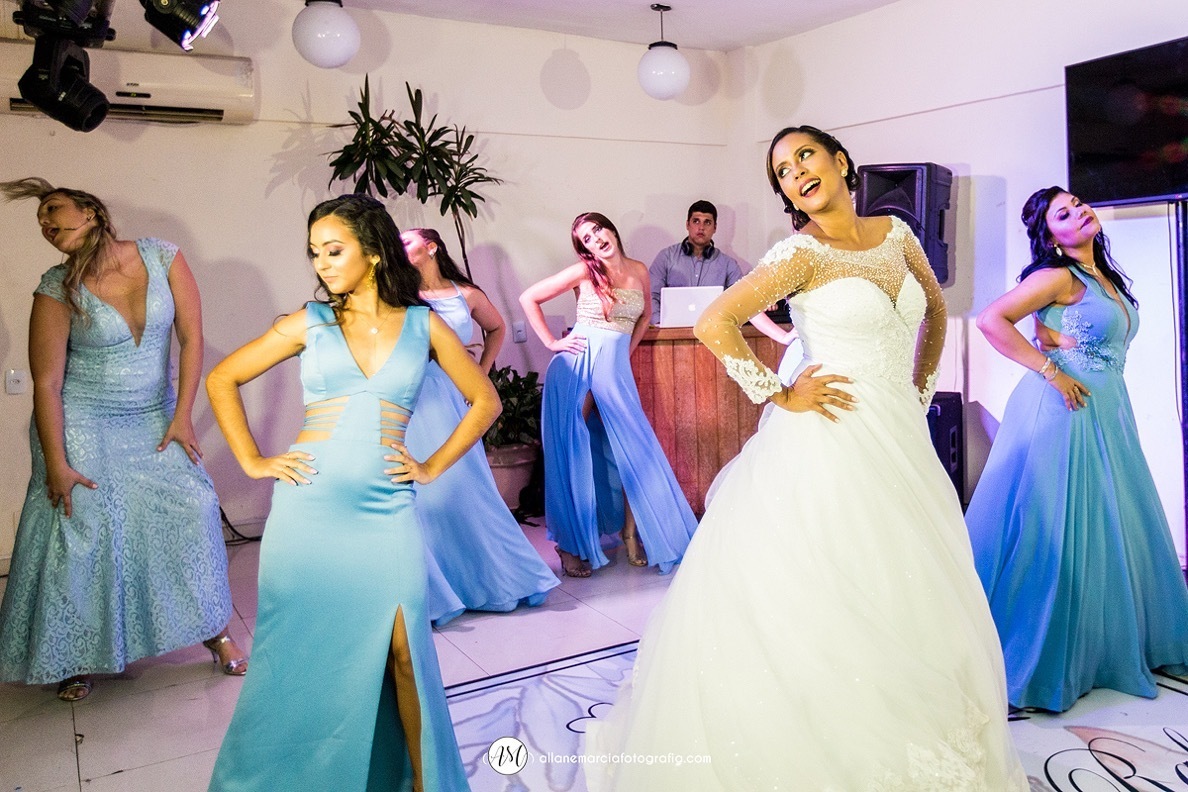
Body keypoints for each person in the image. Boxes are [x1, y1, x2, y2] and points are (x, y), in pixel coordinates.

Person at [584, 127, 1027, 790]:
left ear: (840, 161)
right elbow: (713, 323)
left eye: (805, 157)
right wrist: (779, 392)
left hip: (898, 440)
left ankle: (910, 726)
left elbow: (935, 311)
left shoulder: (898, 234)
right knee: (832, 588)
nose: (796, 173)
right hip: (828, 438)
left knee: (908, 584)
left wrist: (916, 394)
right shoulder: (799, 253)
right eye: (783, 172)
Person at [205, 196, 495, 790]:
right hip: (308, 507)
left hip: (385, 508)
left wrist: (431, 465)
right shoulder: (309, 322)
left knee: (406, 651)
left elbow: (484, 401)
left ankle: (425, 782)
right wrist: (254, 461)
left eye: (334, 251)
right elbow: (222, 377)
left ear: (374, 251)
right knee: (301, 655)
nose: (322, 264)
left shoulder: (424, 325)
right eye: (315, 253)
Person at [0, 178, 246, 704]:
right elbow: (47, 382)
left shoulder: (163, 257)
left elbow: (191, 338)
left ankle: (215, 630)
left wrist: (183, 416)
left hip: (153, 414)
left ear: (90, 211)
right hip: (82, 420)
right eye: (39, 221)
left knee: (194, 509)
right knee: (84, 530)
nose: (45, 223)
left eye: (52, 210)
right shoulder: (56, 286)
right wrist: (56, 462)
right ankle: (72, 655)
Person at [965, 186, 1188, 713]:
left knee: (1105, 526)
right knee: (1057, 530)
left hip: (1106, 409)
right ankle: (1041, 657)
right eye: (1064, 214)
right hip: (1064, 408)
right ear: (1052, 237)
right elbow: (991, 320)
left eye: (1078, 203)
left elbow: (1075, 332)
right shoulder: (1057, 276)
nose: (1080, 211)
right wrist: (1050, 368)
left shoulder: (1101, 276)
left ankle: (1101, 649)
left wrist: (1052, 338)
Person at [519, 213, 698, 578]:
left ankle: (652, 535)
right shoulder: (585, 272)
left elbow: (645, 316)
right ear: (584, 249)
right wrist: (552, 342)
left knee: (637, 449)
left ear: (611, 229)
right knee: (572, 452)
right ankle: (569, 546)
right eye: (586, 238)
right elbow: (529, 297)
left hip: (614, 368)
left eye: (597, 229)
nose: (596, 239)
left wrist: (624, 356)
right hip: (576, 367)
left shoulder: (639, 269)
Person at [400, 227, 558, 626]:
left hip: (452, 397)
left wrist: (480, 374)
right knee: (424, 497)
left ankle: (500, 580)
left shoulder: (465, 294)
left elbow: (497, 327)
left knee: (470, 489)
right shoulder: (400, 295)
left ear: (431, 247)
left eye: (407, 241)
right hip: (412, 398)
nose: (399, 247)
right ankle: (438, 589)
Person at [650, 200, 795, 345]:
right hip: (670, 336)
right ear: (687, 225)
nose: (701, 227)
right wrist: (659, 323)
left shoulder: (728, 265)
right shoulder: (666, 258)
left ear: (715, 228)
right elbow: (651, 295)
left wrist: (763, 303)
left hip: (714, 336)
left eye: (707, 222)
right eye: (696, 221)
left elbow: (743, 299)